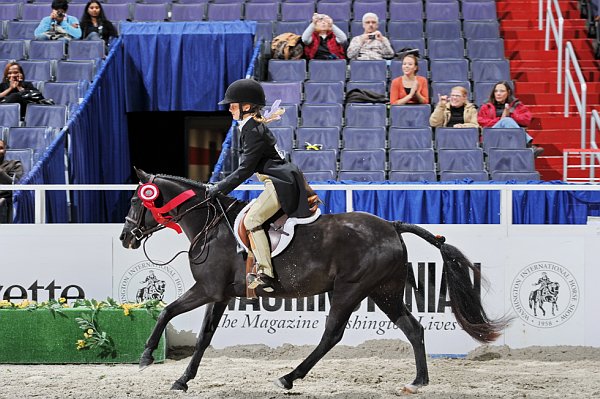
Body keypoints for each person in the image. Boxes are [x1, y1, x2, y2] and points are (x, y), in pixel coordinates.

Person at [207, 79, 313, 291]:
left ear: (246, 107)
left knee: (252, 219)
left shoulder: (253, 131)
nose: (229, 109)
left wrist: (218, 188)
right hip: (275, 180)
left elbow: (245, 169)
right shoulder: (250, 127)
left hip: (280, 182)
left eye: (233, 105)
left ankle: (265, 272)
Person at [477, 81, 544, 156]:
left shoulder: (516, 105)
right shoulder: (486, 106)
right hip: (492, 136)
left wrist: (511, 114)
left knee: (507, 121)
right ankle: (527, 145)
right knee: (506, 121)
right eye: (496, 91)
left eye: (502, 91)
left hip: (510, 137)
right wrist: (501, 120)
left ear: (508, 92)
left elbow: (526, 120)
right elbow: (481, 121)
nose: (498, 93)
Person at [0, 139, 24, 224]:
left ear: (5, 150)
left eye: (1, 148)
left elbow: (15, 183)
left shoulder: (14, 164)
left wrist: (1, 173)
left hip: (4, 200)